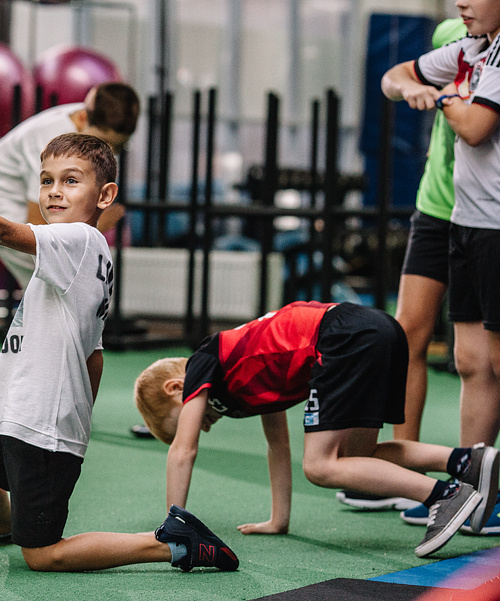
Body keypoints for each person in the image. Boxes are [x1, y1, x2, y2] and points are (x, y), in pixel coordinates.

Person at [0, 133, 238, 573]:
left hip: (40, 423)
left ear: (105, 195)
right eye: (46, 181)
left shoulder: (78, 240)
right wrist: (82, 418)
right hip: (16, 407)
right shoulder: (83, 254)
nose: (54, 191)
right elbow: (94, 353)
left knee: (43, 555)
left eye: (70, 180)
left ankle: (169, 543)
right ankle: (3, 525)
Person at [133, 301, 499, 558]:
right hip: (377, 329)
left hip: (342, 338)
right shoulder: (245, 379)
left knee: (320, 467)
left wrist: (175, 523)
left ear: (176, 388)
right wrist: (279, 520)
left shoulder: (205, 361)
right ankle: (465, 460)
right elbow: (278, 447)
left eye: (180, 422)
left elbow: (184, 449)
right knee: (357, 461)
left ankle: (443, 496)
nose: (203, 428)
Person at [336, 17, 468, 512]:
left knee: (482, 360)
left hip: (490, 214)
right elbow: (393, 77)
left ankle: (476, 478)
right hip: (437, 207)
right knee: (407, 333)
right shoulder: (449, 35)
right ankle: (403, 473)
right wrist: (412, 86)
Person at [381, 0, 500, 533]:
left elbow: (473, 126)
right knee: (472, 360)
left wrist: (443, 92)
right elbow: (396, 75)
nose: (461, 3)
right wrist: (412, 86)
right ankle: (478, 489)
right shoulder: (471, 47)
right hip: (465, 223)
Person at [0, 82, 140, 288]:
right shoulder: (51, 144)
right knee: (49, 276)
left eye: (118, 146)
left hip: (19, 192)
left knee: (59, 279)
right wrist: (97, 226)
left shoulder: (90, 119)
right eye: (104, 141)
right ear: (83, 118)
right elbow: (40, 229)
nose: (109, 152)